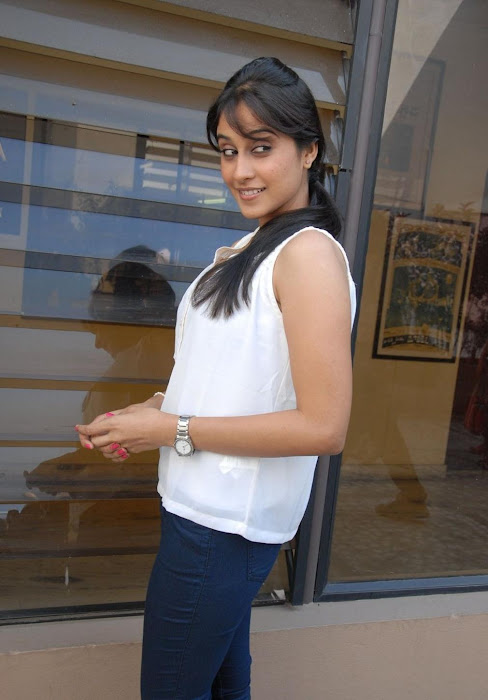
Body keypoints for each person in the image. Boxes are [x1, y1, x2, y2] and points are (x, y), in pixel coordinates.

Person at [75, 56, 357, 700]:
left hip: (224, 526)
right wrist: (152, 413)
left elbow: (324, 427)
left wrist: (170, 429)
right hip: (204, 514)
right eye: (228, 151)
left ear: (309, 151)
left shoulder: (308, 255)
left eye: (261, 147)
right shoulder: (257, 249)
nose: (239, 171)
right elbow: (236, 376)